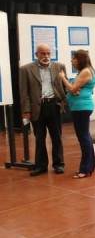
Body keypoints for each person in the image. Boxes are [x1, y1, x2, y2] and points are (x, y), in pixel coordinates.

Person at [19, 44, 67, 176]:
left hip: (54, 106)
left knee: (57, 136)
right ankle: (41, 166)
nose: (46, 56)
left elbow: (65, 86)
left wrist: (65, 103)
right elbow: (24, 93)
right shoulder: (26, 69)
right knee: (39, 138)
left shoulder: (59, 67)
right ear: (36, 55)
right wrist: (26, 110)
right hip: (37, 108)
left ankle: (59, 164)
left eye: (48, 53)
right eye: (42, 53)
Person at [59, 50, 95, 179]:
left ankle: (85, 169)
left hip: (81, 108)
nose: (71, 60)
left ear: (79, 59)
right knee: (86, 137)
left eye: (73, 58)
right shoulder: (85, 71)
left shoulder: (86, 71)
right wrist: (73, 89)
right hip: (80, 107)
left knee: (83, 137)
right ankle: (90, 166)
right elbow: (75, 88)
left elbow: (73, 88)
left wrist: (63, 77)